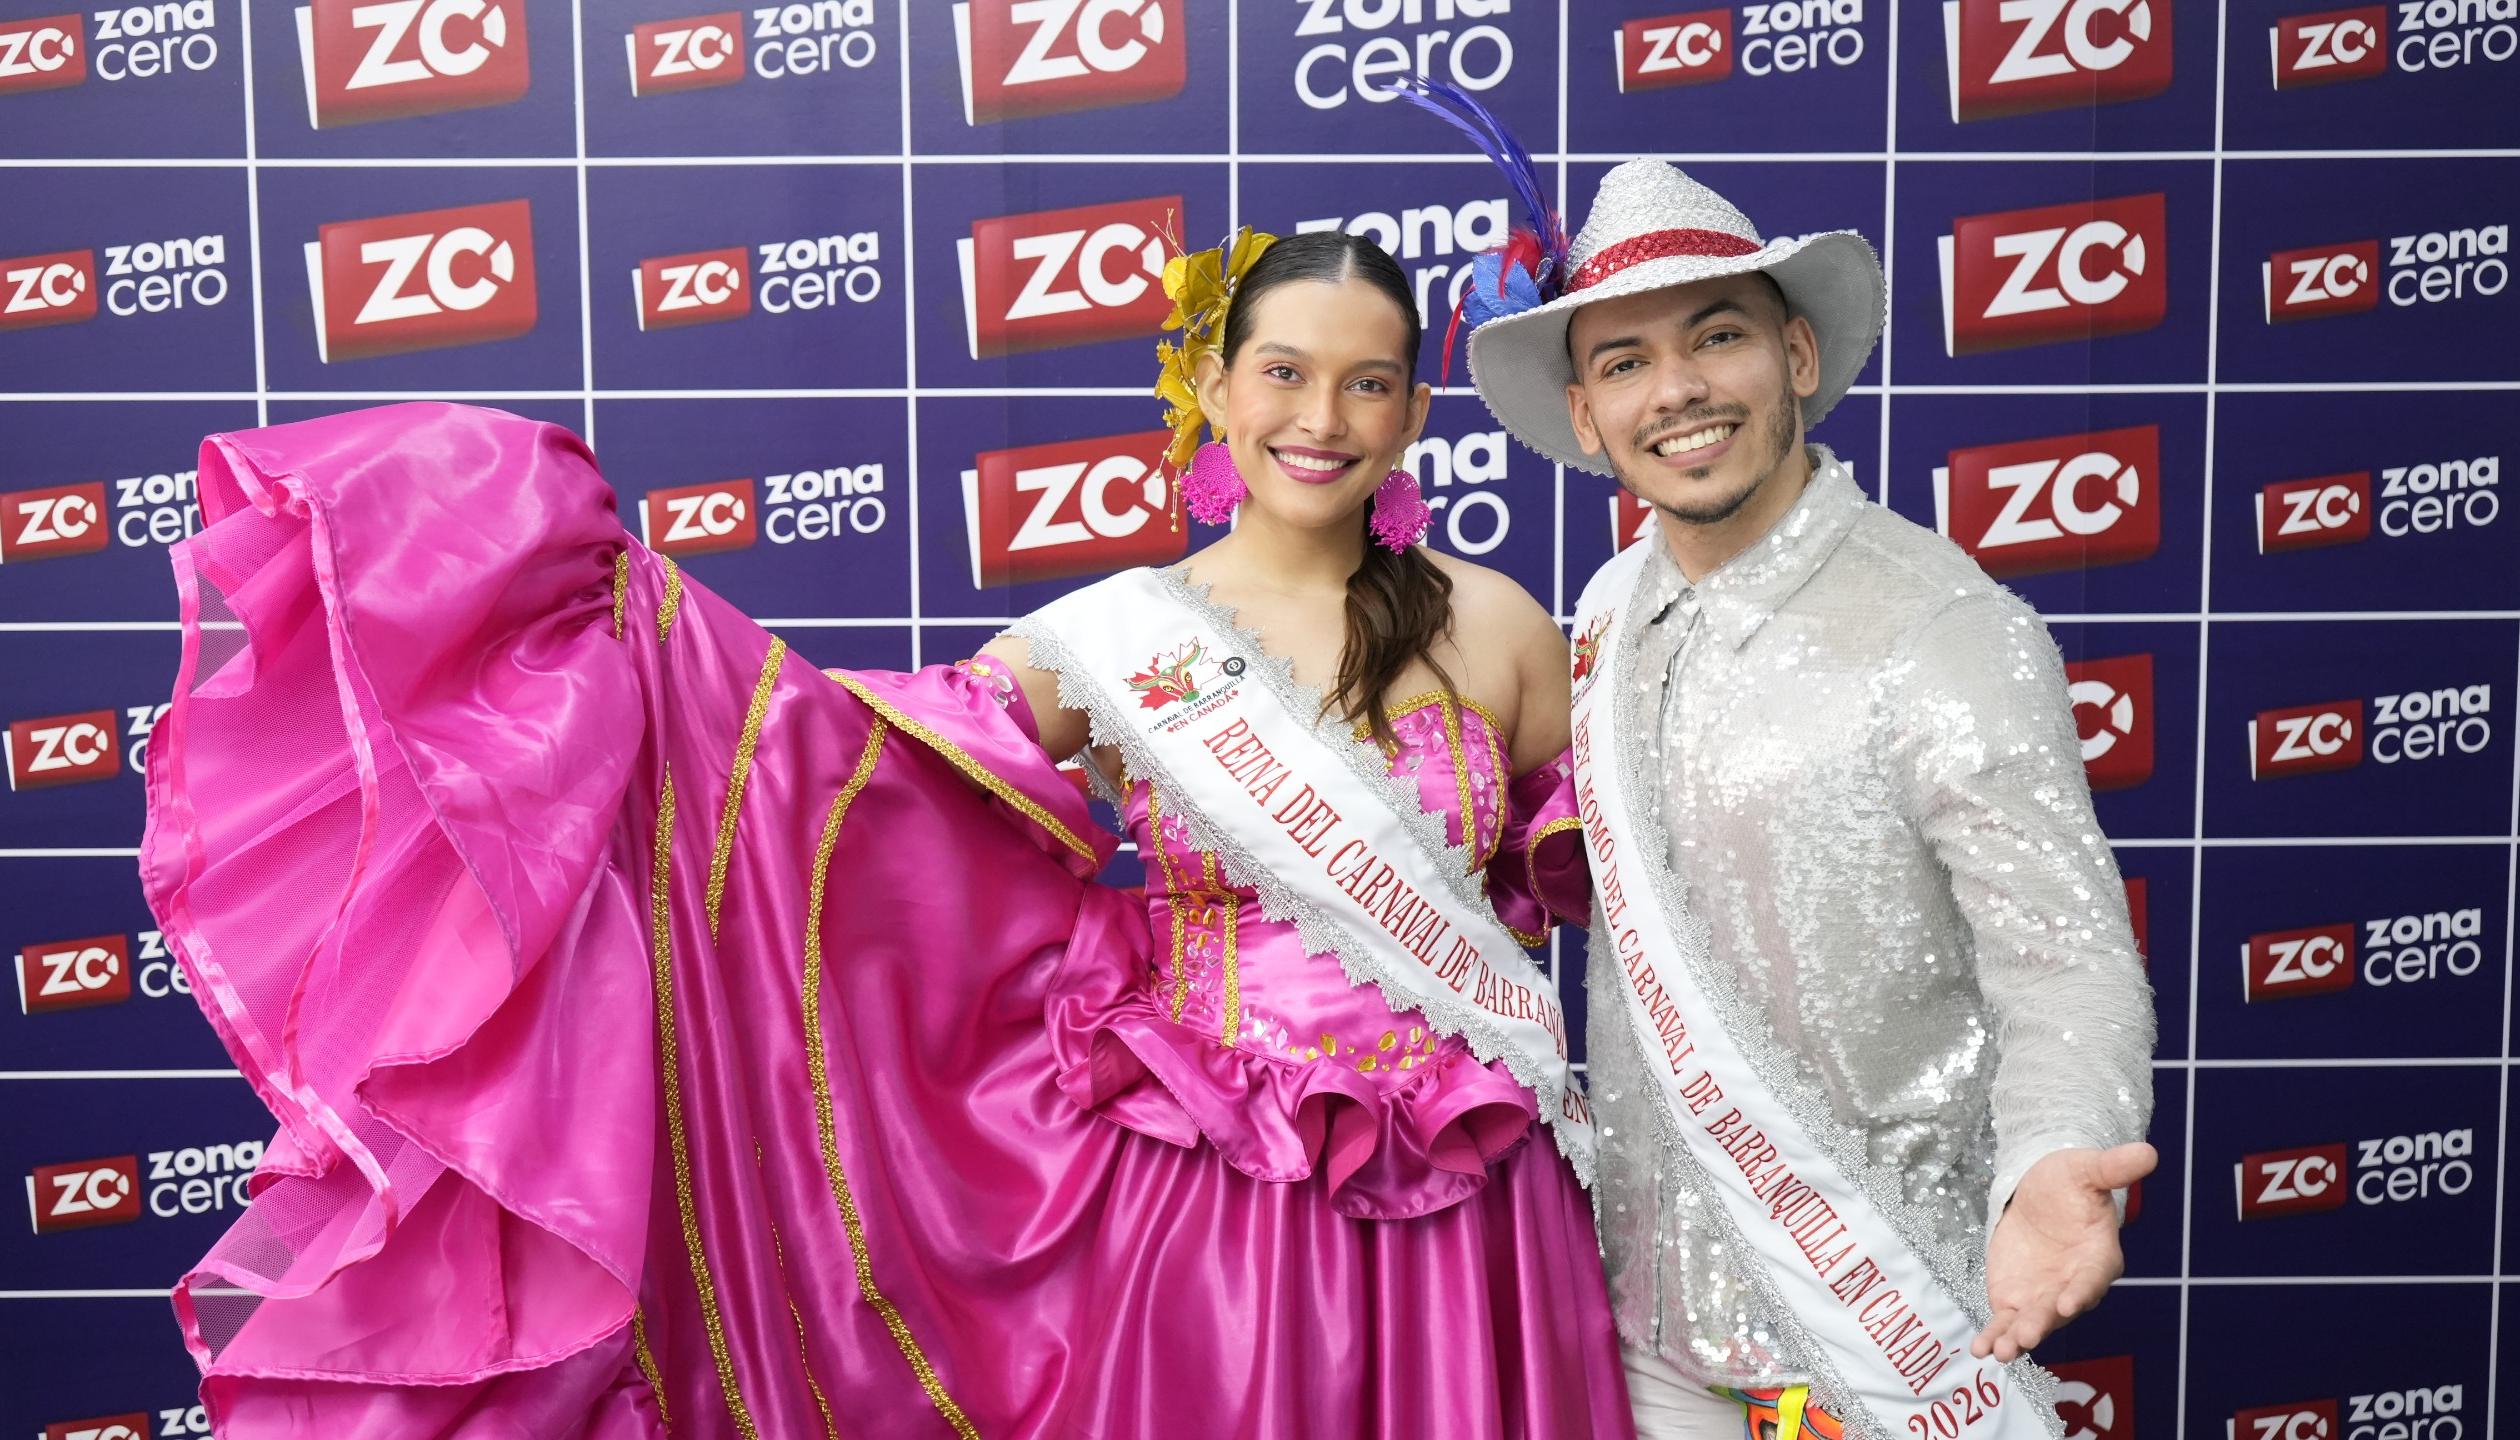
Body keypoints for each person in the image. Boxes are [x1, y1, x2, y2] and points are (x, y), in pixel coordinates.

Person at [134, 225, 1634, 1437]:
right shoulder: (1114, 638)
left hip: (1480, 1207)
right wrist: (626, 647)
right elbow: (838, 769)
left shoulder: (1499, 626)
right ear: (1216, 389)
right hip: (1218, 1198)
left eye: (1369, 385)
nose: (1323, 420)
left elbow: (1611, 868)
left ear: (1413, 413)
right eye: (1287, 375)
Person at [1402, 84, 2158, 1440]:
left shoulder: (1948, 628)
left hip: (1886, 1320)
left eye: (1717, 338)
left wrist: (2054, 1159)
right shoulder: (1609, 611)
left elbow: (2067, 959)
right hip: (1653, 1329)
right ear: (1587, 417)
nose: (1678, 389)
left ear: (1798, 357)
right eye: (1625, 362)